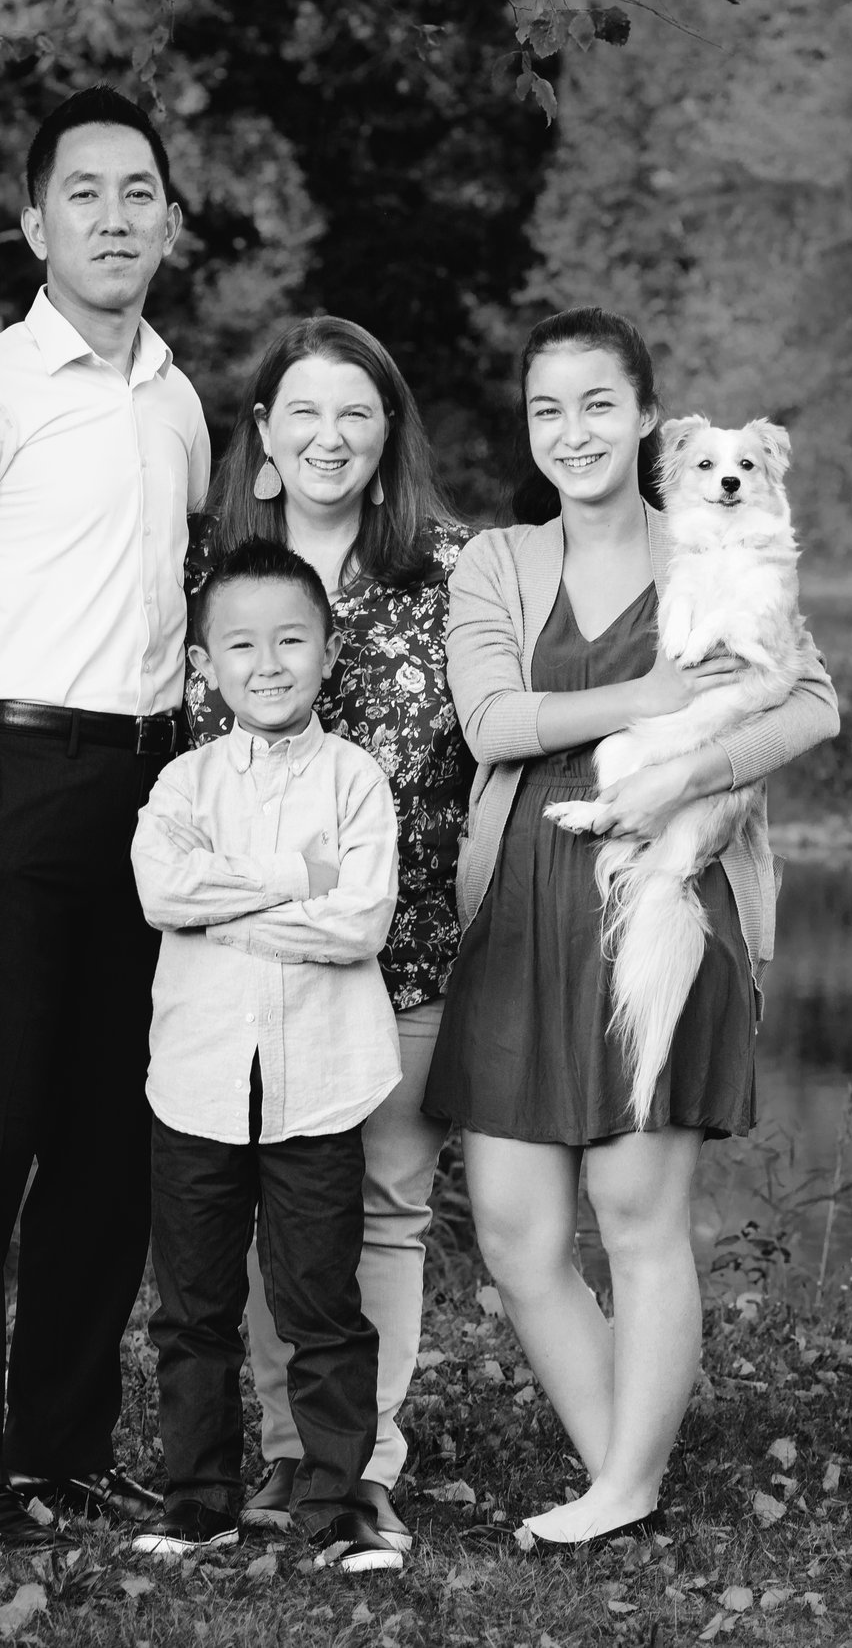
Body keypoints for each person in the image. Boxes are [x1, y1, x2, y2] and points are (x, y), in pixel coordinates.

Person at [423, 307, 839, 1545]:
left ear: (647, 415)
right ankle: (622, 1461)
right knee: (512, 1225)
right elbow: (492, 723)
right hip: (522, 901)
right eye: (548, 408)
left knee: (636, 1207)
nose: (573, 430)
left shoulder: (715, 529)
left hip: (663, 882)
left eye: (598, 403)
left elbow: (808, 702)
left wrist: (677, 778)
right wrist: (652, 696)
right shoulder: (498, 560)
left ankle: (624, 1484)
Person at [0, 86, 212, 1548]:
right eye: (84, 193)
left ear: (168, 218)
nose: (114, 216)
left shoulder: (182, 400)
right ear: (34, 221)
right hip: (13, 783)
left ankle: (62, 1445)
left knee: (109, 1135)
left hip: (150, 790)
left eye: (139, 191)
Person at [184, 316, 472, 1552]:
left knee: (390, 1205)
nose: (329, 436)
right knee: (270, 1215)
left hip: (406, 956)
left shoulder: (454, 573)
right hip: (248, 970)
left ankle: (368, 1463)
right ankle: (292, 1449)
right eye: (302, 411)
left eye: (357, 412)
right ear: (261, 434)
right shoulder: (212, 577)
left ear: (389, 432)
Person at [128, 540, 405, 1574]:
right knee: (193, 1308)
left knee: (320, 1306)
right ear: (205, 664)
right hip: (196, 1082)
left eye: (291, 639)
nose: (268, 662)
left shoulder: (354, 779)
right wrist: (294, 873)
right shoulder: (183, 780)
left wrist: (230, 908)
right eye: (240, 644)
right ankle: (196, 1497)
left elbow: (358, 922)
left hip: (318, 1085)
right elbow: (162, 895)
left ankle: (336, 1508)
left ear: (328, 652)